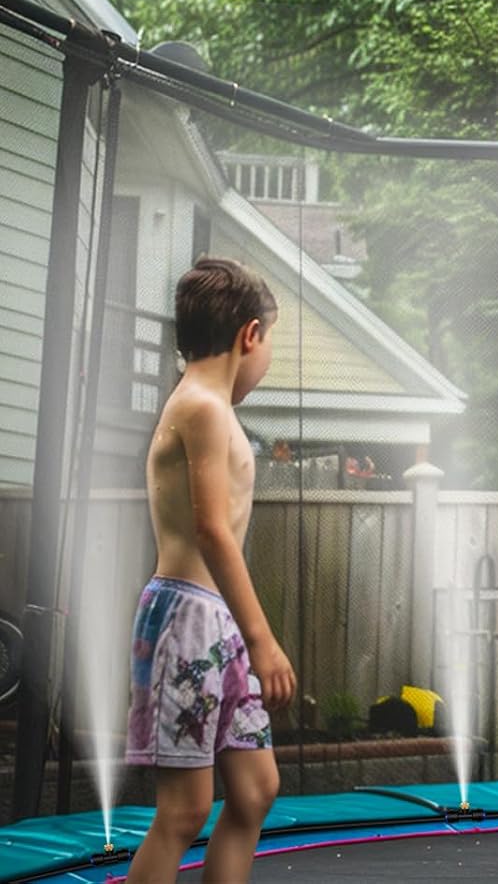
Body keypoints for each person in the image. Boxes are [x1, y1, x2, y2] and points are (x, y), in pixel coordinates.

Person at [125, 257, 297, 883]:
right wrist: (263, 640)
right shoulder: (199, 405)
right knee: (184, 809)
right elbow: (211, 529)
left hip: (217, 620)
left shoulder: (211, 407)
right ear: (250, 335)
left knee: (253, 790)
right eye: (269, 343)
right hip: (187, 622)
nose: (266, 358)